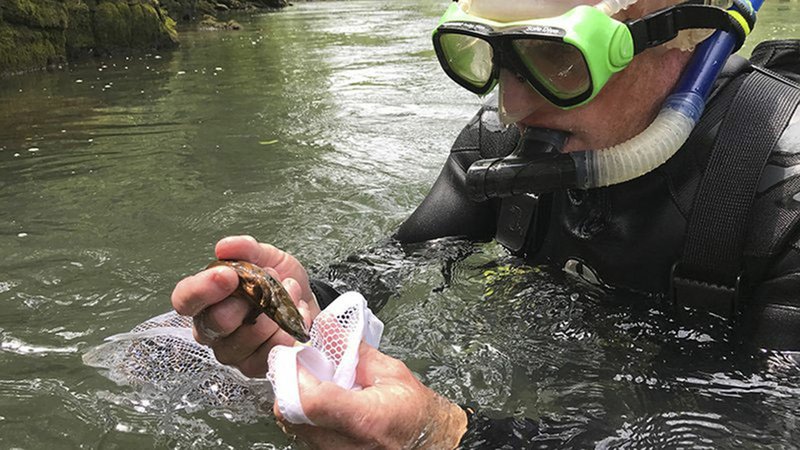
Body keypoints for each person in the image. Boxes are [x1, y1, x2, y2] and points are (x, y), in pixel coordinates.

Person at [171, 0, 800, 447]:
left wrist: (450, 435)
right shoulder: (499, 146)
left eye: (556, 56)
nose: (512, 102)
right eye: (493, 57)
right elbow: (402, 257)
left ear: (678, 34)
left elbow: (759, 428)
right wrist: (305, 307)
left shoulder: (782, 189)